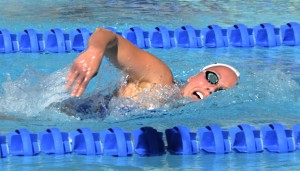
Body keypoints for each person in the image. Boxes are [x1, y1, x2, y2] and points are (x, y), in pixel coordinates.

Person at [65, 28, 239, 105]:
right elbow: (106, 35)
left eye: (220, 91)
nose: (211, 88)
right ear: (193, 76)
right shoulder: (160, 79)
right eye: (213, 78)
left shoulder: (176, 108)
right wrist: (95, 51)